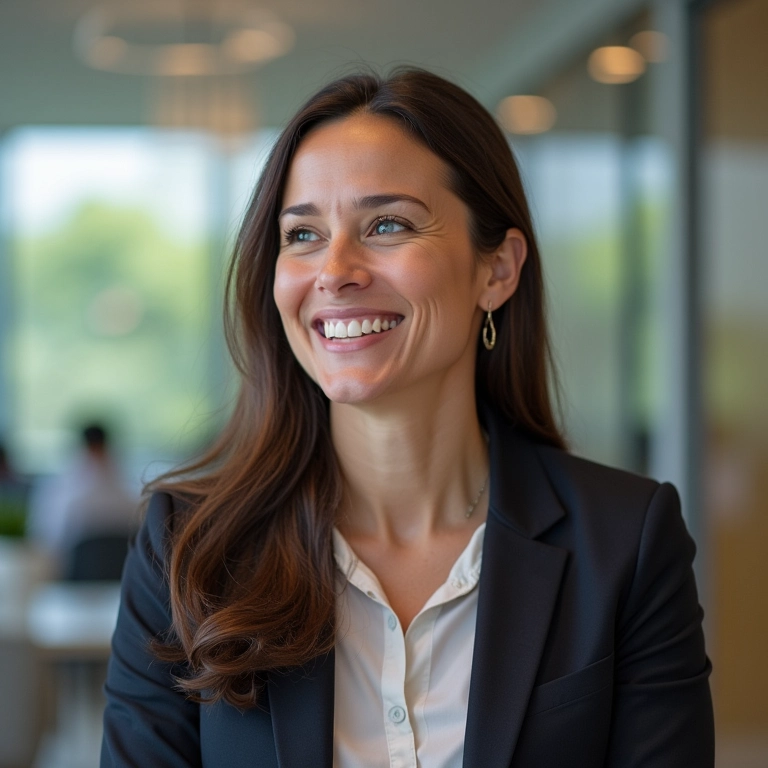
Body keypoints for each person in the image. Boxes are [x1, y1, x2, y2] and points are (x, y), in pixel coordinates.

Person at [101, 68, 714, 767]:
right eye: (302, 234)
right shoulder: (186, 548)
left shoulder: (625, 543)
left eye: (387, 224)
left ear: (498, 271)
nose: (334, 270)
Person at [27, 423, 138, 574]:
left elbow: (47, 540)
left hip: (74, 577)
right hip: (124, 577)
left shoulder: (61, 492)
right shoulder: (131, 492)